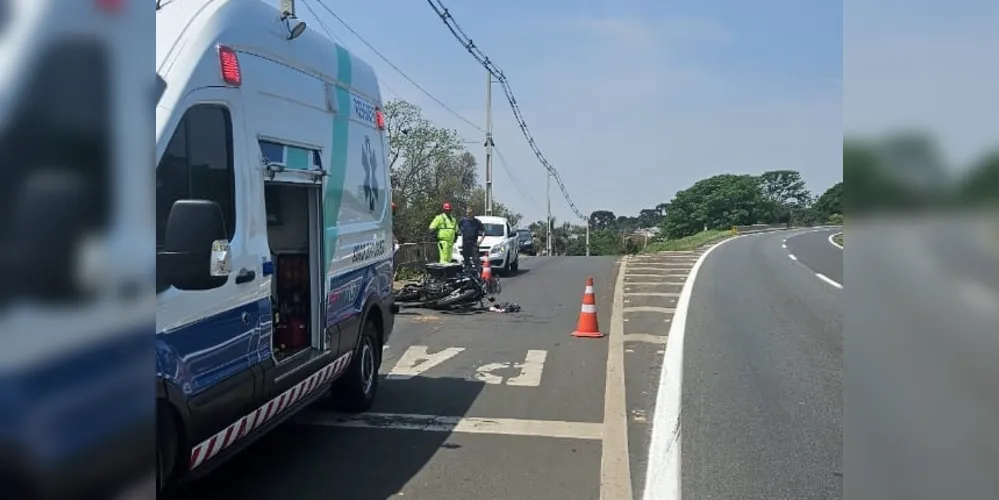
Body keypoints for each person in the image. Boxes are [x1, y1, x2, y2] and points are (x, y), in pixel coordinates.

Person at [458, 206, 486, 274]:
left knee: (476, 259)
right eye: (467, 212)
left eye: (470, 212)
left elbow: (484, 232)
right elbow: (458, 228)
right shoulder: (462, 221)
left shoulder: (477, 222)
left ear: (473, 213)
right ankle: (468, 273)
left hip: (474, 243)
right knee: (466, 259)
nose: (468, 214)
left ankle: (479, 274)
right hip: (465, 243)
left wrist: (480, 241)